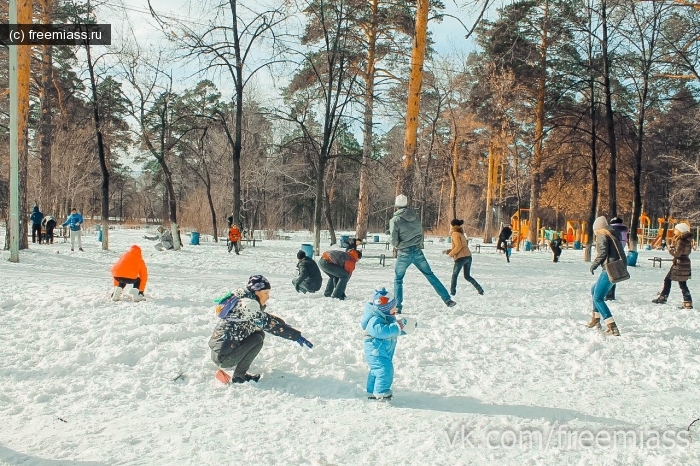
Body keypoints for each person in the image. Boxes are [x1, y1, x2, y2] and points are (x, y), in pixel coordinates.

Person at [208, 275, 314, 383]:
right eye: (265, 293)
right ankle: (239, 377)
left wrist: (282, 324)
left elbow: (264, 317)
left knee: (258, 332)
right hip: (224, 357)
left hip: (218, 352)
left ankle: (234, 363)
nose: (268, 297)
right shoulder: (249, 305)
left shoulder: (242, 299)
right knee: (257, 339)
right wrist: (295, 336)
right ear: (256, 292)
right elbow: (269, 324)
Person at [390, 194, 455, 312]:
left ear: (396, 206)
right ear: (406, 204)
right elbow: (420, 232)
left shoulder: (395, 220)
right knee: (430, 275)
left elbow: (394, 241)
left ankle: (398, 307)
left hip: (404, 252)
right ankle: (447, 299)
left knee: (398, 279)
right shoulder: (415, 217)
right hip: (417, 251)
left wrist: (397, 243)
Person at [361, 287, 413, 400]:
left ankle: (372, 391)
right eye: (393, 307)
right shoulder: (375, 319)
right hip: (375, 350)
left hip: (382, 350)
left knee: (377, 370)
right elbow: (379, 331)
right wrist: (396, 327)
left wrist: (402, 329)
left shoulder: (386, 317)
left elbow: (390, 331)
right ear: (385, 308)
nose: (395, 309)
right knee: (384, 369)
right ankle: (381, 392)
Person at [586, 216, 624, 336]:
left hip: (609, 269)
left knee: (598, 298)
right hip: (617, 268)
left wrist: (594, 265)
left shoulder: (602, 235)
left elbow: (602, 253)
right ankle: (596, 318)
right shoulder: (613, 234)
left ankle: (611, 325)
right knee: (594, 290)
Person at [651, 223, 693, 309]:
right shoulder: (688, 240)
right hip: (685, 263)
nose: (674, 231)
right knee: (682, 283)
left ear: (680, 231)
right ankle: (688, 301)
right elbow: (686, 252)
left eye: (676, 229)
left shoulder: (681, 240)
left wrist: (670, 249)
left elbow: (677, 253)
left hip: (679, 263)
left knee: (668, 280)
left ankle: (663, 297)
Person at [444, 218, 483, 296]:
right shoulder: (461, 233)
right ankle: (480, 289)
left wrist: (450, 254)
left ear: (453, 225)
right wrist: (449, 251)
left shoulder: (455, 234)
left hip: (461, 258)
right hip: (468, 256)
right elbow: (461, 246)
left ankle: (452, 292)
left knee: (454, 275)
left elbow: (458, 246)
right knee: (467, 276)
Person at [605, 217, 629, 300]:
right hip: (620, 253)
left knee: (609, 273)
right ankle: (611, 293)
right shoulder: (625, 230)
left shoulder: (612, 230)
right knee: (614, 274)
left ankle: (608, 294)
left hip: (612, 253)